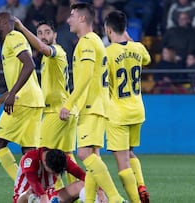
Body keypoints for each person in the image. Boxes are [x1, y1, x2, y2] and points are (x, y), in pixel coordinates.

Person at [60, 3, 126, 203]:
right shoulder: (96, 40)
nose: (68, 19)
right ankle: (94, 200)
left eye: (72, 15)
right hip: (99, 105)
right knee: (93, 158)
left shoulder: (87, 42)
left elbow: (86, 77)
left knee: (84, 153)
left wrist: (69, 104)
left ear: (82, 18)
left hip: (90, 106)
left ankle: (115, 198)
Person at [14, 18, 78, 185]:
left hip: (57, 112)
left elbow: (42, 47)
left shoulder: (56, 51)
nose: (43, 36)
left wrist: (21, 28)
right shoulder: (46, 58)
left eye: (47, 32)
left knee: (43, 156)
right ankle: (82, 193)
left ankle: (54, 195)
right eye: (40, 33)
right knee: (67, 156)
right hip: (67, 110)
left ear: (55, 35)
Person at [0, 12, 44, 181]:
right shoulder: (14, 39)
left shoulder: (13, 37)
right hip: (33, 101)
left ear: (3, 23)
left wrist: (13, 94)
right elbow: (20, 76)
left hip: (22, 101)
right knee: (30, 152)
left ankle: (23, 185)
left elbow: (29, 64)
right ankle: (41, 192)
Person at [104, 10, 151, 203]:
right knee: (130, 153)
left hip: (118, 113)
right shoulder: (138, 48)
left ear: (108, 30)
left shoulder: (107, 53)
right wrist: (128, 39)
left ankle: (136, 200)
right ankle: (141, 185)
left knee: (122, 164)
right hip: (137, 110)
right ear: (125, 29)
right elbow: (147, 60)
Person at [13, 148, 107, 203]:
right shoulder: (30, 159)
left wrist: (100, 191)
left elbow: (83, 175)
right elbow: (33, 182)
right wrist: (42, 196)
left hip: (50, 196)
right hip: (24, 198)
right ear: (45, 162)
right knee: (30, 193)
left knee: (83, 184)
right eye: (54, 172)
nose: (56, 175)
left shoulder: (61, 158)